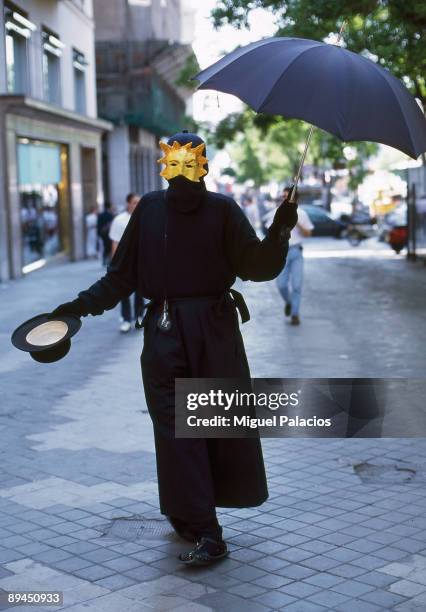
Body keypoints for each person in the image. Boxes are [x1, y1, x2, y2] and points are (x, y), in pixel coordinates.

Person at [49, 131, 298, 565]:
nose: (181, 173)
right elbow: (120, 277)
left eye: (189, 162)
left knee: (206, 423)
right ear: (165, 165)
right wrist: (75, 309)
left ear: (201, 165)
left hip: (213, 333)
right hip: (166, 334)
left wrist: (281, 226)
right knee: (176, 426)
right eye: (174, 162)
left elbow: (258, 267)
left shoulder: (222, 210)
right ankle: (196, 520)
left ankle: (205, 528)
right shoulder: (149, 210)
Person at [275, 187, 313, 325]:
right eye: (283, 196)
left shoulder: (301, 213)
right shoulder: (277, 213)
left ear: (295, 199)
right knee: (281, 285)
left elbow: (308, 234)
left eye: (287, 196)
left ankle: (295, 314)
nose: (284, 199)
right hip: (282, 252)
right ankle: (289, 303)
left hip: (296, 251)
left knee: (297, 285)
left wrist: (296, 222)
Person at [109, 193, 144, 333]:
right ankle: (125, 319)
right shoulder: (119, 220)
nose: (137, 205)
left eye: (139, 202)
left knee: (140, 291)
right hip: (124, 261)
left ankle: (139, 316)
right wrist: (115, 263)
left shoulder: (144, 218)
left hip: (140, 261)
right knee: (123, 292)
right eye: (135, 202)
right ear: (128, 203)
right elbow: (115, 242)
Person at [97, 202, 114, 266]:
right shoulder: (111, 215)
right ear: (109, 207)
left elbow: (98, 225)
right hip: (109, 233)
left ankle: (105, 259)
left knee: (105, 246)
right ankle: (108, 260)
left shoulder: (101, 215)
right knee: (109, 246)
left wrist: (99, 233)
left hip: (103, 233)